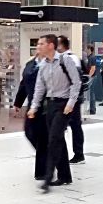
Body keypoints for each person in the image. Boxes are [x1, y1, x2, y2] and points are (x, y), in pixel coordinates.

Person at [28, 34, 81, 193]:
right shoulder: (43, 65)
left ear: (51, 45)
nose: (39, 46)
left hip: (64, 105)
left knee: (53, 140)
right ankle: (65, 176)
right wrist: (34, 107)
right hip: (50, 105)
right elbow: (39, 88)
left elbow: (76, 82)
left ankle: (48, 177)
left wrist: (71, 103)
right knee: (58, 139)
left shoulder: (66, 60)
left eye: (41, 44)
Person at [15, 52, 47, 180]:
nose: (38, 47)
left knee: (42, 137)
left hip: (45, 105)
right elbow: (24, 84)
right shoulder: (29, 64)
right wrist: (18, 102)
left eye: (41, 44)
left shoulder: (50, 64)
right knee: (29, 132)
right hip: (32, 105)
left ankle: (43, 171)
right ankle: (48, 156)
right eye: (37, 45)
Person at [56, 35, 86, 165]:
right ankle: (76, 153)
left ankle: (78, 154)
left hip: (70, 99)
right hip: (71, 98)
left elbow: (75, 81)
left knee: (73, 126)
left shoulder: (69, 59)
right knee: (73, 126)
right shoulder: (73, 58)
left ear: (61, 46)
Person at [86, 44, 99, 115]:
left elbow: (93, 68)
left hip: (92, 77)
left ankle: (92, 109)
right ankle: (92, 108)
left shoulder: (92, 58)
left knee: (91, 93)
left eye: (86, 49)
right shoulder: (88, 57)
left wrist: (89, 76)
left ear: (89, 49)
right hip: (91, 77)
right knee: (91, 93)